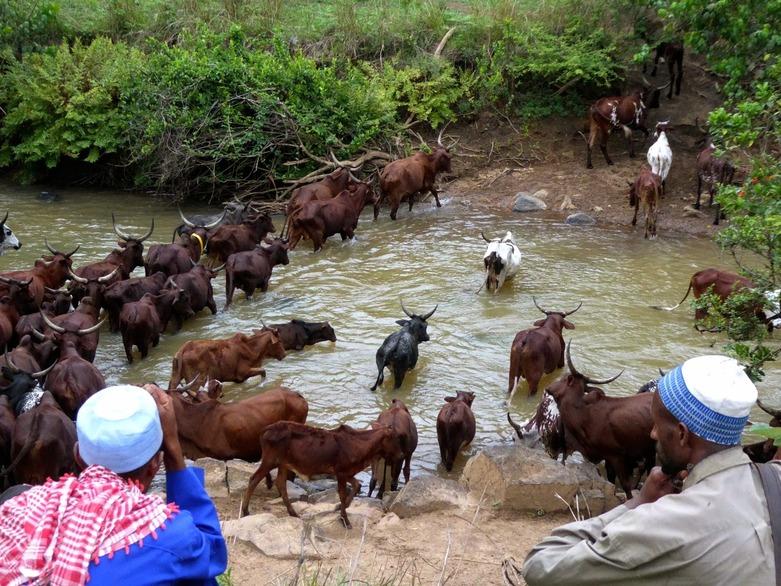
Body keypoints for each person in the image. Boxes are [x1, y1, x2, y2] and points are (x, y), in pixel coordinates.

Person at [522, 354, 776, 585]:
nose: (653, 433)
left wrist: (638, 503)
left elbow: (540, 566)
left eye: (657, 425)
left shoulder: (662, 523)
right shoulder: (775, 477)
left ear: (681, 434)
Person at [0, 384, 227, 585]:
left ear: (78, 457)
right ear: (155, 464)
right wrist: (174, 454)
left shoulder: (18, 510)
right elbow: (213, 552)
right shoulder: (172, 535)